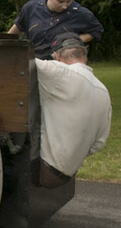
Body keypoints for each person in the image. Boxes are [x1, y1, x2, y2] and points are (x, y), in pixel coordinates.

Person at [34, 32, 112, 188]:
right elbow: (98, 144)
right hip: (68, 171)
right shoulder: (103, 91)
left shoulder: (58, 73)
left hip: (44, 168)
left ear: (56, 56)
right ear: (85, 55)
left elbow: (17, 58)